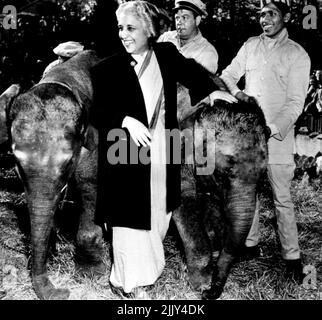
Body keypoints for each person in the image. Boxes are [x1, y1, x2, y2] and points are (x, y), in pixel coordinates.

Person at [89, 0, 236, 298]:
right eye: (120, 28)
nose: (123, 34)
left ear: (149, 29)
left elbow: (191, 71)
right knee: (129, 221)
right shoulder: (106, 68)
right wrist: (125, 120)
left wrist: (213, 90)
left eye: (131, 28)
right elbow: (98, 112)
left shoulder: (166, 55)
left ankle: (136, 276)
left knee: (157, 215)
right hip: (124, 154)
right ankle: (130, 284)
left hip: (163, 151)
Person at [220, 0, 311, 282]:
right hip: (248, 136)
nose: (265, 19)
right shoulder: (250, 45)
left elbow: (296, 103)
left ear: (285, 17)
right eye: (261, 14)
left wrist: (272, 128)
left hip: (277, 137)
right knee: (249, 193)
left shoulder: (297, 54)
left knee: (281, 197)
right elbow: (227, 75)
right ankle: (250, 244)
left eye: (271, 14)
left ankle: (292, 257)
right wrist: (239, 94)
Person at [158, 0, 218, 74]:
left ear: (197, 20)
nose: (179, 22)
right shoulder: (165, 38)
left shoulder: (207, 53)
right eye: (177, 18)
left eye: (184, 17)